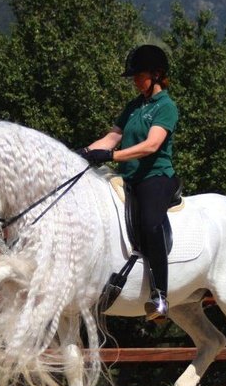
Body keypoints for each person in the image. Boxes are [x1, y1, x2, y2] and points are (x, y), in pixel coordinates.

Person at [77, 44, 179, 322]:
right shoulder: (134, 106)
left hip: (155, 177)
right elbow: (111, 138)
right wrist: (82, 154)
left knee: (150, 222)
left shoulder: (166, 107)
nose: (134, 80)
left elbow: (151, 145)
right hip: (128, 178)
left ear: (157, 75)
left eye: (139, 75)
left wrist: (111, 155)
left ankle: (159, 296)